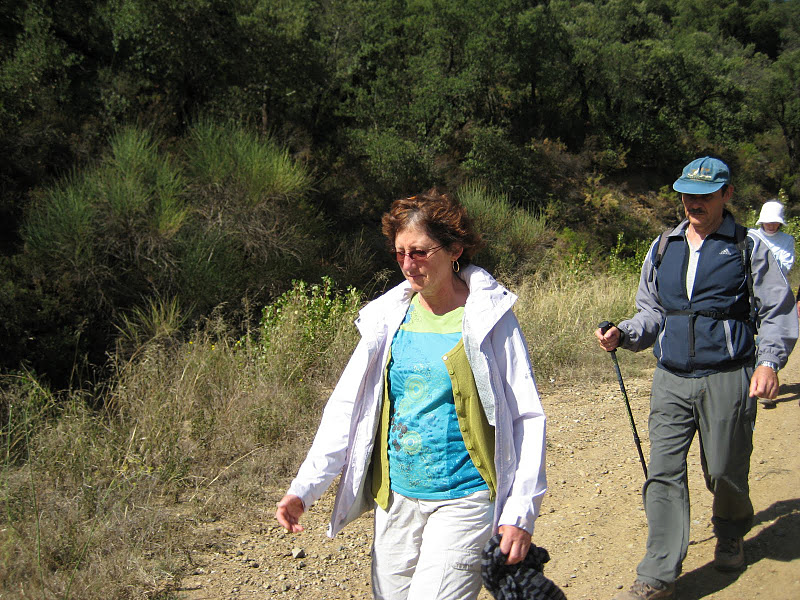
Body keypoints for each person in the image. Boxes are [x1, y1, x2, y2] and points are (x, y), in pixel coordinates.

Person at [276, 188, 548, 600]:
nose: (408, 264)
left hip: (465, 498)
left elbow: (526, 417)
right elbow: (348, 410)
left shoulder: (490, 319)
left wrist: (520, 512)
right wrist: (304, 488)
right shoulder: (388, 318)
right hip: (396, 499)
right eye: (400, 252)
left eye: (420, 252)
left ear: (454, 249)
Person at [595, 157, 798, 600]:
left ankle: (729, 529)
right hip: (671, 378)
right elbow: (650, 311)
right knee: (664, 474)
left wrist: (769, 363)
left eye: (705, 195)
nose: (694, 202)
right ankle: (658, 572)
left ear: (726, 195)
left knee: (724, 470)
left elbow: (778, 312)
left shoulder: (749, 247)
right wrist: (624, 333)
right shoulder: (663, 246)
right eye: (687, 193)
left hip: (728, 375)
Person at [749, 199, 795, 276]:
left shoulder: (787, 240)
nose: (771, 226)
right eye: (768, 222)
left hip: (776, 283)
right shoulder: (752, 236)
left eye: (775, 222)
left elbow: (785, 267)